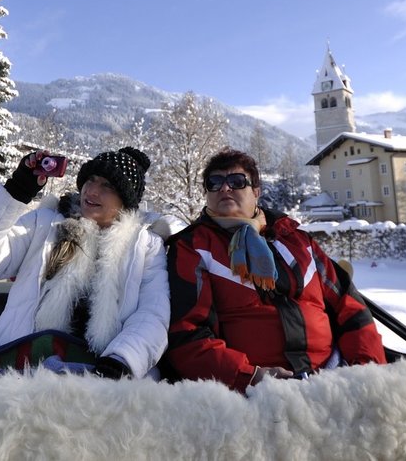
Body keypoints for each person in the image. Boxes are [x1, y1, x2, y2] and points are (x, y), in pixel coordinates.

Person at [164, 148, 386, 392]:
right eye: (214, 183)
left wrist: (369, 372)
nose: (224, 189)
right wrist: (250, 377)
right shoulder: (193, 247)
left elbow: (350, 307)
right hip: (256, 389)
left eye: (236, 182)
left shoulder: (298, 241)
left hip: (333, 373)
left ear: (256, 191)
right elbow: (187, 334)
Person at [0, 146, 169, 380]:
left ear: (125, 201)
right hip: (25, 370)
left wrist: (123, 359)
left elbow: (152, 313)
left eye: (107, 186)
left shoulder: (145, 246)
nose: (92, 191)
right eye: (91, 180)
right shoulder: (45, 225)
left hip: (104, 374)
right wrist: (17, 190)